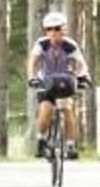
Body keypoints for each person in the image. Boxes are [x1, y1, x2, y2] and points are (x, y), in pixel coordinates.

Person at [28, 9, 91, 159]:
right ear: (46, 31)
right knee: (46, 109)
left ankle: (70, 145)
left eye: (57, 29)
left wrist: (83, 75)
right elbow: (32, 61)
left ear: (64, 30)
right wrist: (31, 76)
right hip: (46, 81)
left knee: (67, 107)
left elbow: (82, 64)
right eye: (49, 29)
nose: (53, 33)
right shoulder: (41, 44)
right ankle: (41, 139)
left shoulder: (69, 45)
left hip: (64, 81)